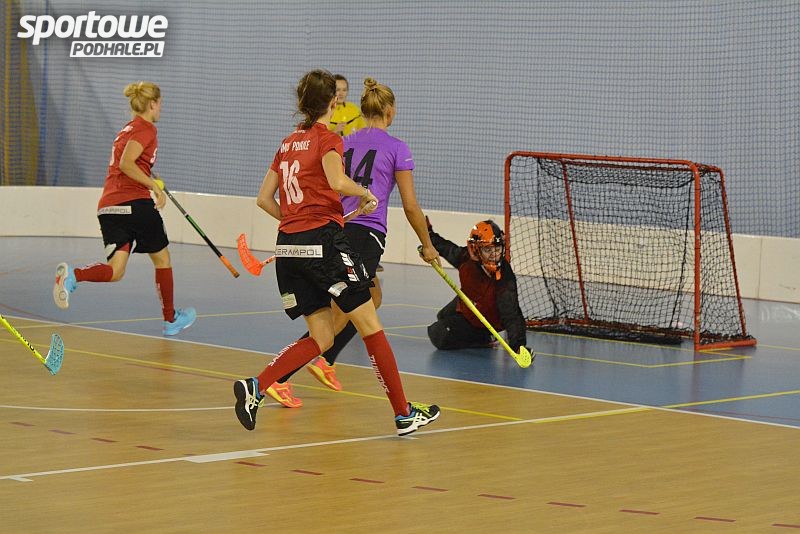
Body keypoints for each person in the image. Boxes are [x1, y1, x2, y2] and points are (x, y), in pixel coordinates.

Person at [233, 69, 440, 436]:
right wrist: (365, 193)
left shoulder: (287, 143)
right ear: (333, 102)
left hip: (289, 247)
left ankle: (256, 386)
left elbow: (264, 199)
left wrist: (296, 223)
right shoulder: (328, 138)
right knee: (370, 323)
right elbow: (336, 181)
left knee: (322, 338)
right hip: (325, 245)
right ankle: (403, 413)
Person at [52, 81, 196, 336]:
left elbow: (131, 163)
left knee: (116, 271)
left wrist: (148, 174)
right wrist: (153, 185)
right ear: (152, 104)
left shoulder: (126, 130)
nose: (161, 108)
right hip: (134, 203)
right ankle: (171, 319)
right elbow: (126, 164)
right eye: (160, 103)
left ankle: (73, 276)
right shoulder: (147, 129)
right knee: (162, 259)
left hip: (109, 207)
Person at [426, 218, 530, 354]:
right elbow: (447, 249)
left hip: (487, 320)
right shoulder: (466, 258)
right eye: (488, 249)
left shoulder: (505, 277)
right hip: (471, 304)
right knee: (443, 315)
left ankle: (484, 338)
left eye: (497, 248)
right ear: (475, 249)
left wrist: (518, 346)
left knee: (438, 334)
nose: (494, 255)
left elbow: (511, 314)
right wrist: (428, 235)